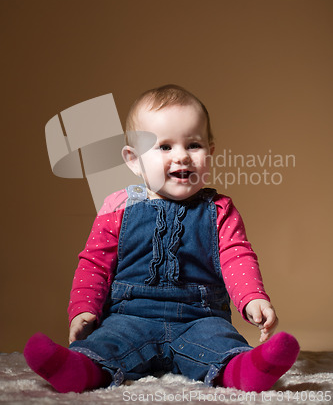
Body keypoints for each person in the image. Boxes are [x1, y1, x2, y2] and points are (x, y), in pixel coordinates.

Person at [24, 84, 300, 393]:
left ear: (210, 150)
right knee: (105, 344)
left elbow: (237, 255)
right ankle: (80, 370)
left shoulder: (219, 209)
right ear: (133, 159)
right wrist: (83, 309)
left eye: (193, 145)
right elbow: (95, 262)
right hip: (130, 315)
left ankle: (243, 371)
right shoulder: (117, 206)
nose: (181, 156)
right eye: (165, 147)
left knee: (221, 344)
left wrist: (253, 298)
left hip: (200, 317)